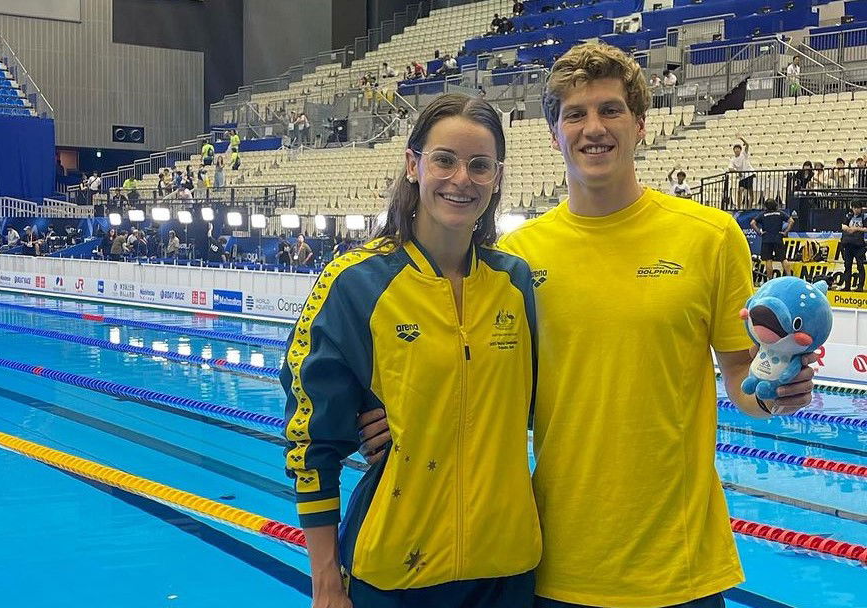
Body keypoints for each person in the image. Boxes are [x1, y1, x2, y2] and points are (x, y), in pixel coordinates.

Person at [359, 42, 815, 608]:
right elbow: (471, 374)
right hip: (557, 566)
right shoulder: (515, 259)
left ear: (640, 124)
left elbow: (743, 378)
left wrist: (776, 391)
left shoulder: (710, 237)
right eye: (575, 114)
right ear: (554, 134)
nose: (593, 128)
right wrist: (395, 419)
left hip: (680, 568)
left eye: (610, 110)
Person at [284, 93, 539, 608]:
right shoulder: (355, 282)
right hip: (393, 573)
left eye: (479, 165)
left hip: (506, 568)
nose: (461, 179)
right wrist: (325, 581)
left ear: (496, 177)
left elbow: (532, 403)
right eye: (444, 160)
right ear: (412, 164)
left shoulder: (514, 281)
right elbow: (312, 440)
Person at [751, 198, 794, 281]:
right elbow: (791, 221)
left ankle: (769, 280)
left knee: (768, 260)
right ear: (775, 205)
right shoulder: (780, 213)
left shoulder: (763, 214)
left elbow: (752, 223)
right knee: (783, 259)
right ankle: (790, 278)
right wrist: (785, 232)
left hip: (766, 239)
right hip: (778, 238)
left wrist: (759, 232)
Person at [841, 202, 867, 291]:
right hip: (848, 245)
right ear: (852, 208)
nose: (856, 210)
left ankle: (860, 286)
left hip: (859, 246)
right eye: (854, 208)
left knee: (860, 266)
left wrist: (856, 229)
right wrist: (848, 229)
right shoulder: (848, 216)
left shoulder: (864, 217)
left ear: (861, 208)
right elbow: (843, 225)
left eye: (858, 208)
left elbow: (866, 228)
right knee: (847, 266)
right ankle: (847, 286)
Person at [729, 135, 755, 207]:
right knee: (739, 191)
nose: (737, 150)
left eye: (738, 149)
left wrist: (741, 138)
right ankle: (739, 208)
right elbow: (730, 168)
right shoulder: (733, 159)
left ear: (740, 150)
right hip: (742, 177)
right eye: (735, 149)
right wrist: (737, 172)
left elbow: (747, 145)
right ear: (734, 150)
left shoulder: (744, 154)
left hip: (749, 175)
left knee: (750, 192)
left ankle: (749, 208)